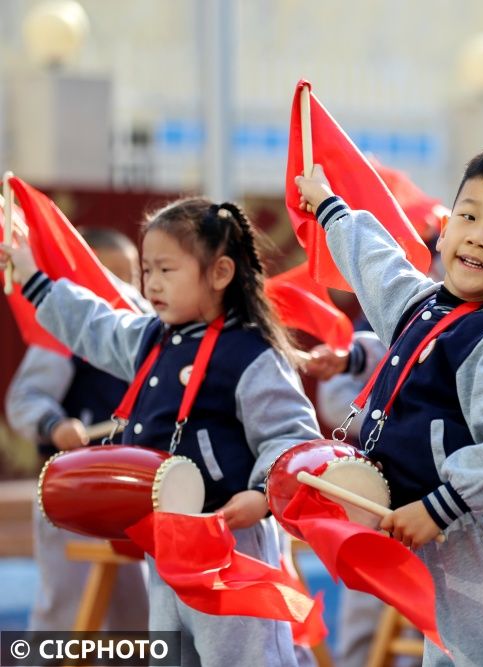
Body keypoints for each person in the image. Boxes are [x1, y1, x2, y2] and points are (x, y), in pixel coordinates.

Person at [1, 199, 322, 666]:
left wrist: (262, 495)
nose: (150, 284)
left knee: (243, 658)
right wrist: (31, 276)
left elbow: (292, 437)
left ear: (220, 272)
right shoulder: (153, 338)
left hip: (231, 541)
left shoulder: (252, 355)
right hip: (167, 544)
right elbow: (94, 324)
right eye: (147, 270)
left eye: (165, 269)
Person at [295, 139, 483, 666]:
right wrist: (330, 207)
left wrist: (440, 505)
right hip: (437, 543)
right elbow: (378, 266)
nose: (480, 236)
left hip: (480, 544)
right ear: (445, 228)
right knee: (449, 655)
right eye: (469, 216)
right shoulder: (422, 306)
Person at [5, 227, 149, 632]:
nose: (125, 286)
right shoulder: (63, 332)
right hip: (72, 494)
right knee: (66, 618)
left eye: (132, 275)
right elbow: (24, 399)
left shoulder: (150, 331)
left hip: (135, 494)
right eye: (110, 275)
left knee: (137, 620)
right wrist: (54, 425)